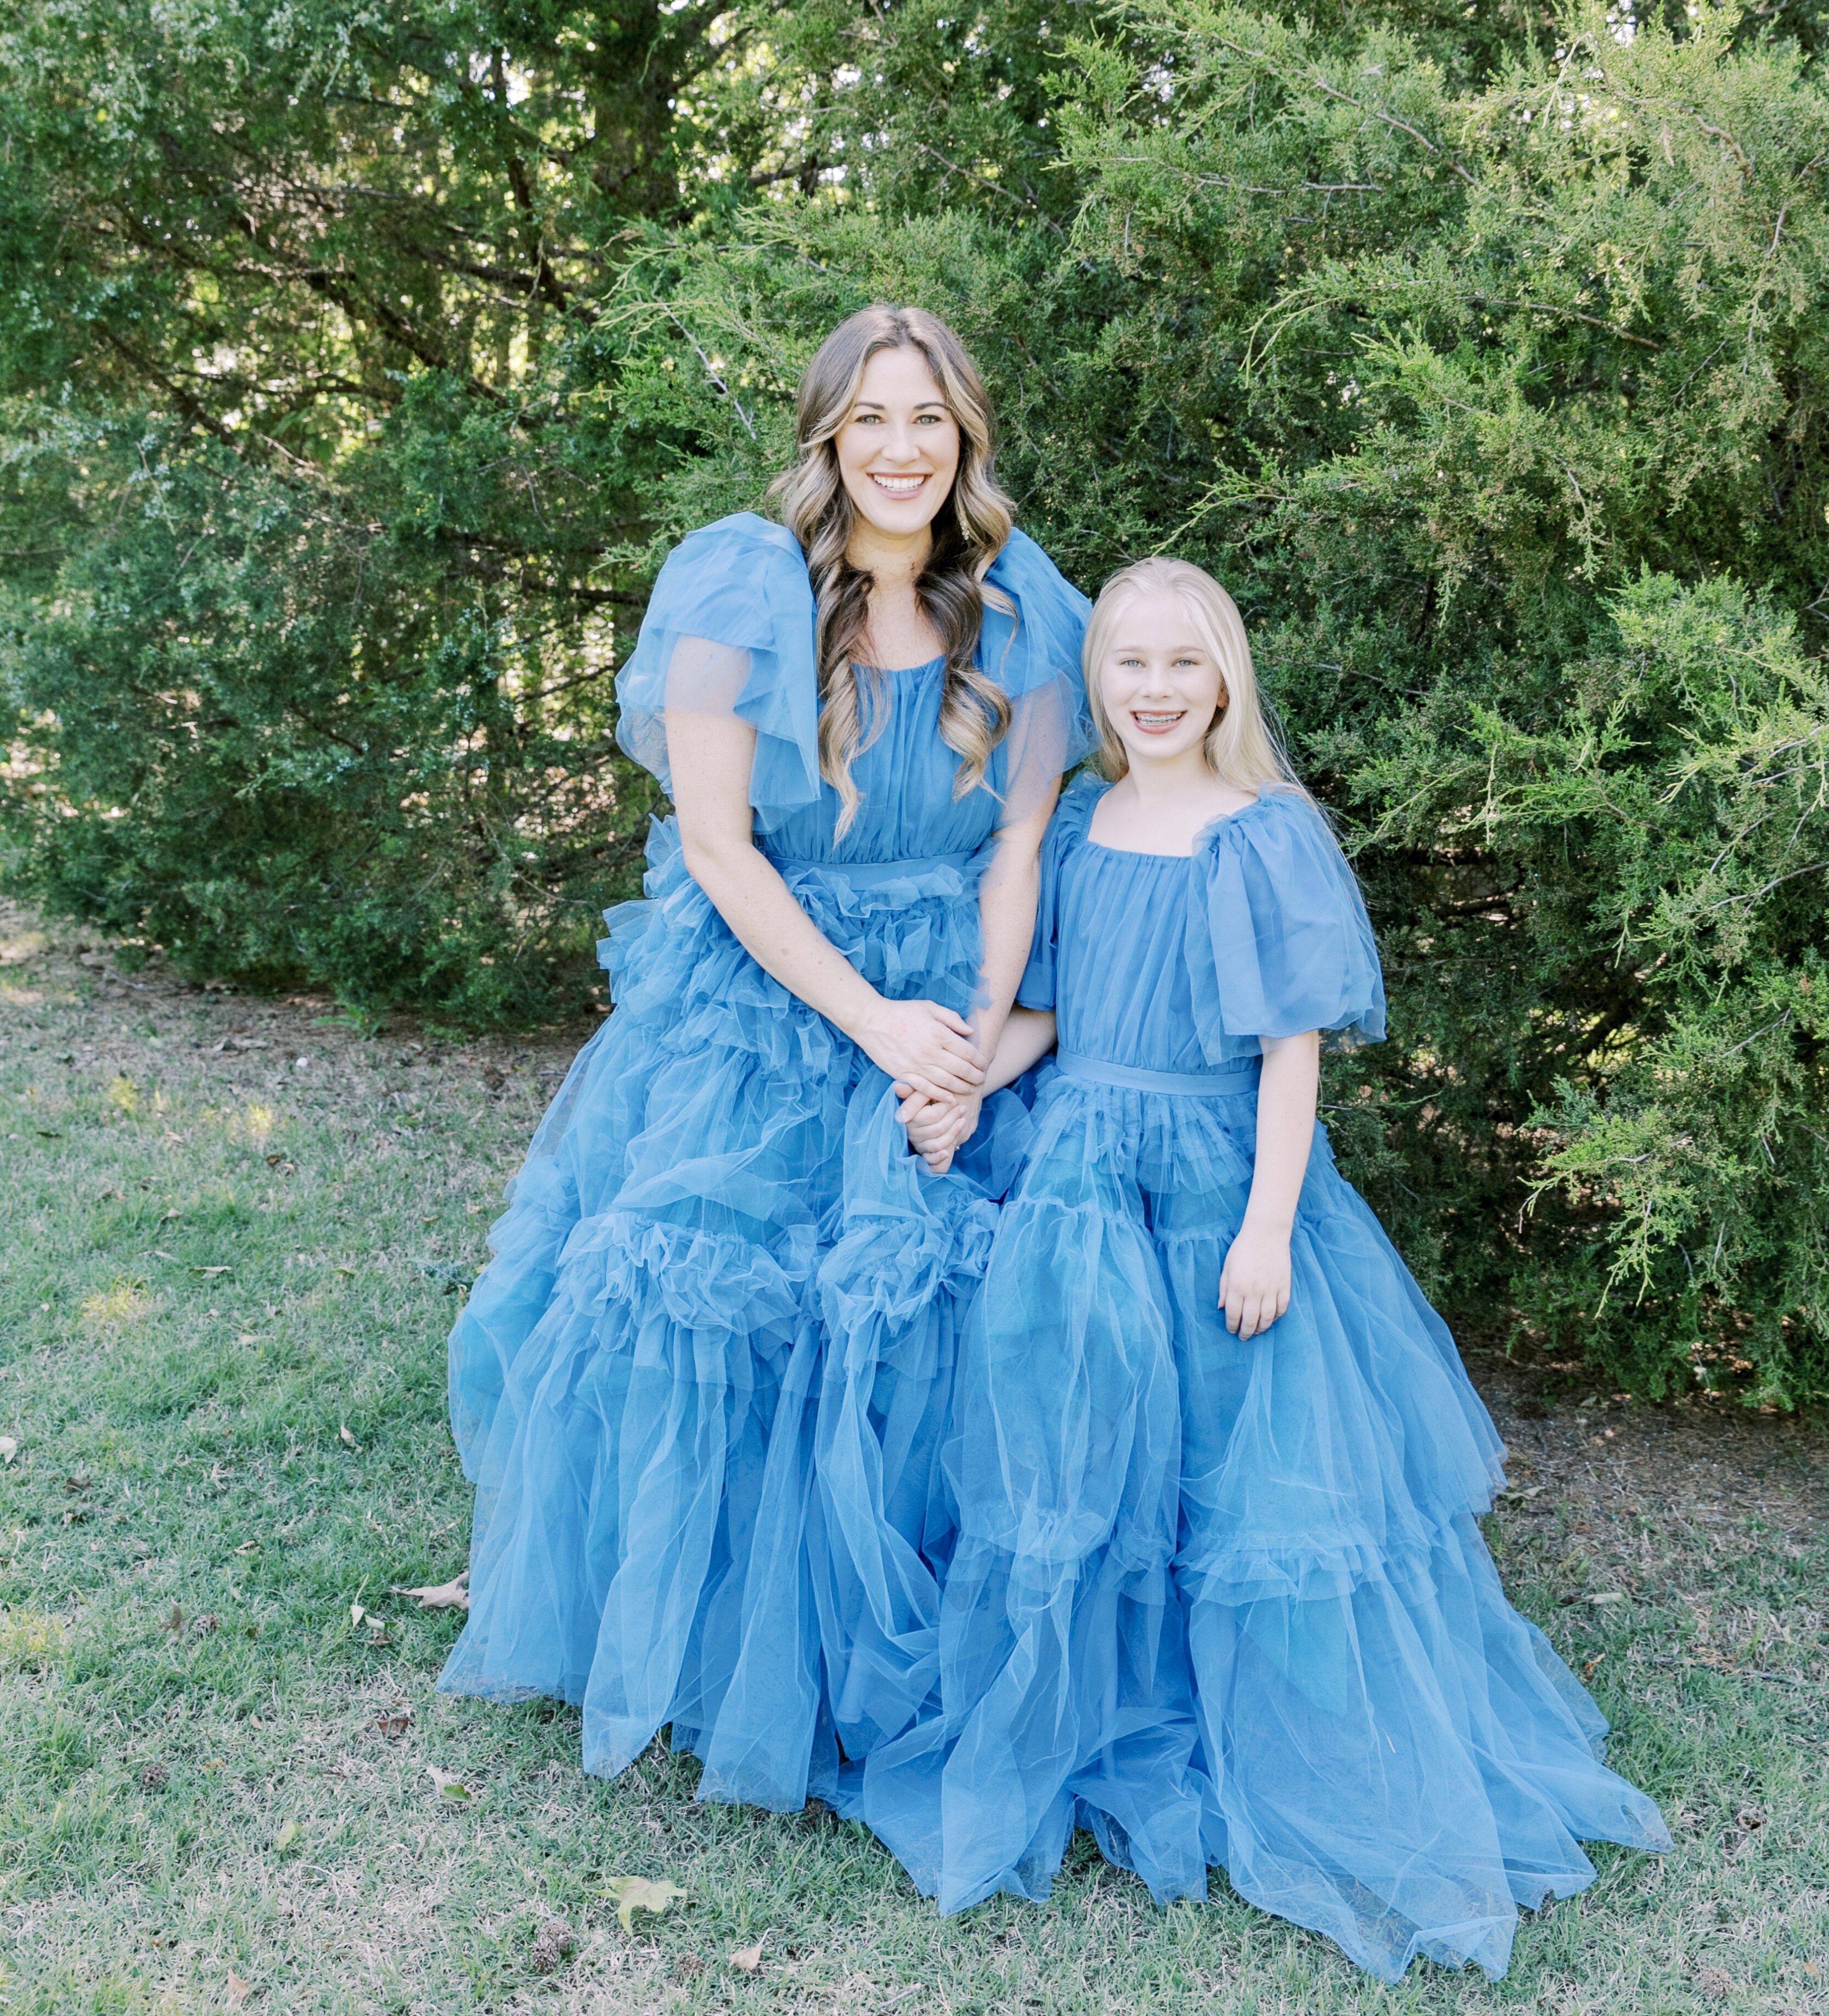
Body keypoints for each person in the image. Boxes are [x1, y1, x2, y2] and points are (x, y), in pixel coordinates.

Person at [869, 555, 1670, 1980]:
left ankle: (1283, 1734)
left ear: (1227, 674)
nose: (1159, 689)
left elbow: (1291, 1047)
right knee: (1095, 1449)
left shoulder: (1263, 833)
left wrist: (1265, 1224)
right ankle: (1120, 1715)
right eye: (1132, 664)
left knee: (1238, 1458)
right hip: (1087, 1182)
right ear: (1099, 679)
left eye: (1187, 663)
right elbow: (1049, 1011)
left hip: (1220, 1185)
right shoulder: (1079, 825)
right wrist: (963, 1086)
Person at [438, 305, 1091, 1814]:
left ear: (967, 439)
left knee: (965, 1296)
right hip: (781, 991)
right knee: (730, 1301)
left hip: (963, 1003)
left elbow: (1021, 841)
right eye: (871, 419)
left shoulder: (1022, 606)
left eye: (930, 420)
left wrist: (979, 1050)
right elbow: (723, 852)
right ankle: (730, 1633)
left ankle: (940, 1619)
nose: (902, 450)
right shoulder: (742, 586)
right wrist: (874, 1028)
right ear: (825, 438)